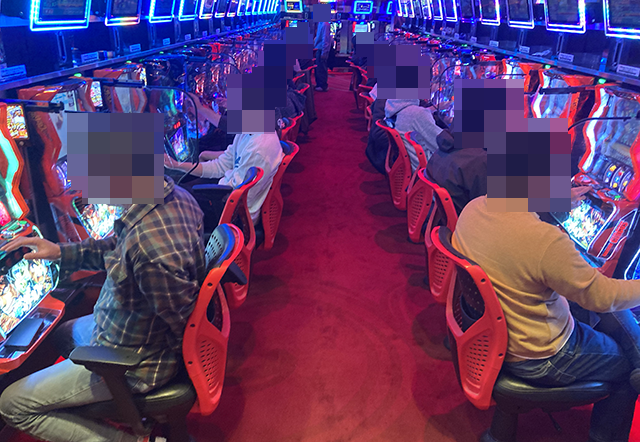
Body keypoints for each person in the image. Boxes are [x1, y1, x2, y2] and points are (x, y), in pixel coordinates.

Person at [0, 176, 205, 442]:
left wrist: (176, 373)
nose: (85, 190)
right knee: (63, 335)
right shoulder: (174, 199)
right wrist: (59, 252)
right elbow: (117, 249)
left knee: (12, 405)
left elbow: (182, 325)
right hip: (126, 329)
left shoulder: (150, 249)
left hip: (135, 361)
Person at [452, 189, 640, 442]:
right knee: (628, 366)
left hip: (491, 334)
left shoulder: (475, 208)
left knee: (603, 312)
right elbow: (603, 296)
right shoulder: (544, 240)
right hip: (541, 355)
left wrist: (553, 197)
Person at [164, 132, 284, 229]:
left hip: (236, 216)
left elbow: (238, 197)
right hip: (226, 193)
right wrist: (177, 165)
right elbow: (221, 165)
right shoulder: (249, 131)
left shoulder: (258, 149)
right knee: (177, 187)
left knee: (171, 196)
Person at [425, 129, 487, 215]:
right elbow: (493, 209)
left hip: (439, 215)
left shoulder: (447, 142)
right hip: (468, 218)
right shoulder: (480, 160)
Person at [384, 99, 443, 173]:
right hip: (425, 168)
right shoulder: (417, 114)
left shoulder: (393, 105)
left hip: (411, 163)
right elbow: (442, 144)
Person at [314, 21, 333, 92]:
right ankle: (319, 84)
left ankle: (323, 85)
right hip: (317, 48)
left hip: (321, 49)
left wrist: (324, 52)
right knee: (318, 68)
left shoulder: (325, 24)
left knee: (321, 68)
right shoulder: (320, 23)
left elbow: (326, 39)